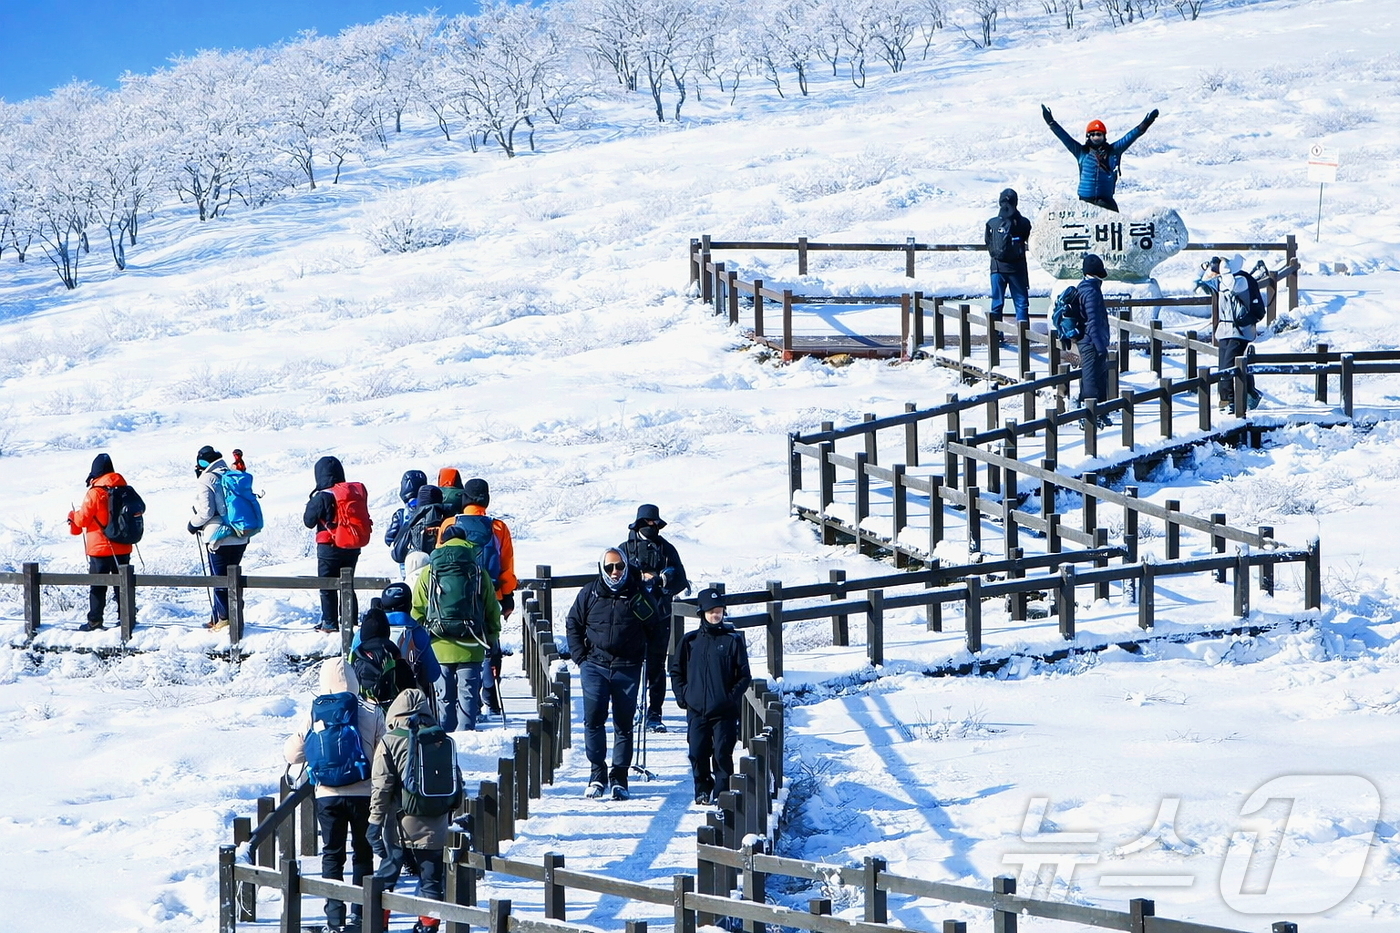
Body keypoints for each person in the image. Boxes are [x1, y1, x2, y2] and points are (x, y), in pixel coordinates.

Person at [284, 657, 386, 933]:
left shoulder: (315, 713)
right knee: (363, 854)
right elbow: (381, 753)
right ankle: (361, 915)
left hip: (327, 794)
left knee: (332, 854)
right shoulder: (371, 710)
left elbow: (292, 754)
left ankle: (334, 918)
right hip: (364, 793)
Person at [565, 548, 658, 800]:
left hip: (628, 667)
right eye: (609, 568)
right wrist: (580, 658)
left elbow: (655, 627)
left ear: (626, 566)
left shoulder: (637, 594)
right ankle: (597, 773)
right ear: (601, 569)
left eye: (618, 566)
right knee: (593, 720)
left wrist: (651, 662)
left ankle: (620, 777)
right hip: (594, 665)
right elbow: (573, 622)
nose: (614, 572)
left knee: (624, 724)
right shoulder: (590, 593)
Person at [368, 688, 460, 933]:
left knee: (387, 876)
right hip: (435, 820)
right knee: (431, 879)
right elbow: (455, 781)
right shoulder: (441, 737)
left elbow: (382, 785)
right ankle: (428, 927)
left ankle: (379, 924)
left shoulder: (390, 740)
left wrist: (375, 821)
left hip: (400, 823)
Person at [412, 525, 501, 732]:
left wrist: (423, 638)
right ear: (466, 543)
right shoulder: (478, 571)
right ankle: (466, 740)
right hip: (472, 641)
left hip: (438, 643)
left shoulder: (430, 571)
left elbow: (417, 609)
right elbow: (491, 609)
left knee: (444, 699)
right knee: (468, 697)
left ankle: (446, 743)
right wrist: (491, 636)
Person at [670, 587, 751, 806]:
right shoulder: (690, 641)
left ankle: (723, 793)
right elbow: (676, 671)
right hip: (696, 709)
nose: (715, 615)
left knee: (722, 753)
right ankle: (703, 789)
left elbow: (744, 676)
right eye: (710, 611)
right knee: (697, 751)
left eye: (719, 611)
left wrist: (729, 697)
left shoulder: (732, 641)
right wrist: (683, 696)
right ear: (702, 613)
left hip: (724, 711)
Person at [617, 504, 689, 733]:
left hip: (659, 614)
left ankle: (655, 713)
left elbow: (681, 580)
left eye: (655, 524)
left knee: (657, 666)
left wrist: (662, 580)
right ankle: (629, 709)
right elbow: (614, 579)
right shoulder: (623, 550)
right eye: (647, 523)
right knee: (629, 663)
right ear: (639, 524)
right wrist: (638, 577)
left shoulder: (667, 549)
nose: (652, 527)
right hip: (630, 615)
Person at [456, 477, 517, 717]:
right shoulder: (499, 528)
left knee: (464, 645)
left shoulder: (451, 523)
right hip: (491, 595)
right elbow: (507, 567)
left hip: (459, 598)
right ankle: (491, 698)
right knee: (491, 644)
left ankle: (469, 703)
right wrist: (507, 597)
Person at [1042, 106, 1158, 212]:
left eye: (1099, 134)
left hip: (1106, 201)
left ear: (1104, 136)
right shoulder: (1081, 152)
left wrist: (1146, 124)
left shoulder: (1113, 150)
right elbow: (1065, 137)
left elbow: (1130, 137)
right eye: (1092, 134)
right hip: (1085, 201)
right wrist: (1051, 122)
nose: (1096, 137)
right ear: (1088, 136)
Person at [67, 453, 135, 632]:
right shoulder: (124, 490)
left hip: (100, 549)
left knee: (98, 586)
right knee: (123, 584)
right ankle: (126, 619)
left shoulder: (95, 493)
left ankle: (95, 621)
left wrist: (73, 515)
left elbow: (82, 520)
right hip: (123, 546)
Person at [303, 456, 369, 632]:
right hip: (352, 545)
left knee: (327, 586)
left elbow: (308, 522)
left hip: (329, 547)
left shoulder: (322, 496)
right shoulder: (352, 493)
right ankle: (351, 621)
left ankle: (330, 624)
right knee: (348, 584)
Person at [187, 446, 249, 631]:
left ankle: (224, 619)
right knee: (232, 576)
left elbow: (207, 511)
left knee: (219, 579)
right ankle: (219, 616)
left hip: (218, 537)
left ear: (202, 463)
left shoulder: (206, 478)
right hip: (240, 535)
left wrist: (192, 524)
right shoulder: (231, 472)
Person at [1204, 254, 1262, 412]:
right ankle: (1239, 396)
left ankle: (1230, 401)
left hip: (1241, 330)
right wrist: (1211, 267)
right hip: (1224, 330)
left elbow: (1232, 286)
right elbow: (1205, 281)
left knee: (1229, 364)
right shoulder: (1223, 279)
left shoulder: (1241, 280)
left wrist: (1223, 270)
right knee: (1224, 365)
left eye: (1224, 263)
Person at [984, 188, 1033, 323]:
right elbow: (1030, 239)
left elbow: (988, 243)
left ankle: (995, 336)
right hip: (1017, 269)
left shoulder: (991, 223)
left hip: (997, 268)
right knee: (1021, 303)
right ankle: (1023, 338)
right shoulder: (1024, 222)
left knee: (997, 303)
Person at [1077, 253, 1112, 427]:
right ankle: (1088, 415)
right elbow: (1092, 322)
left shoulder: (1085, 287)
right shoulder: (1091, 292)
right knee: (1091, 377)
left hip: (1091, 340)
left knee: (1098, 375)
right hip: (1090, 341)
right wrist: (1100, 346)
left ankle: (1101, 412)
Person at [383, 469, 428, 571]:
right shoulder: (431, 510)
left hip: (406, 562)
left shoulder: (401, 514)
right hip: (427, 560)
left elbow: (389, 538)